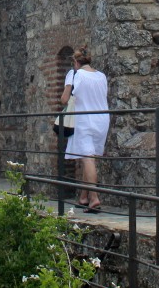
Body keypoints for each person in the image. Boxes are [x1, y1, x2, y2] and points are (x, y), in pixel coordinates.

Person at [60, 46, 109, 212]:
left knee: (87, 159)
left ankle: (94, 198)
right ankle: (83, 197)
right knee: (88, 157)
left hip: (85, 119)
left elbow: (64, 99)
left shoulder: (76, 74)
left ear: (75, 61)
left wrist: (69, 88)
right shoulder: (101, 76)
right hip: (102, 119)